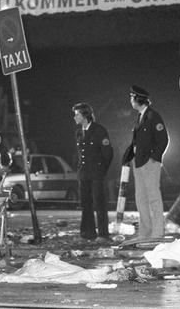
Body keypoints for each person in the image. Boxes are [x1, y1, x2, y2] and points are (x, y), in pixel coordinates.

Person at [122, 85, 169, 240]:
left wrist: (154, 158)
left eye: (131, 97)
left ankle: (157, 233)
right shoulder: (141, 116)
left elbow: (163, 140)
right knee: (140, 199)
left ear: (138, 99)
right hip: (139, 162)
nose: (130, 100)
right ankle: (145, 233)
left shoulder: (153, 116)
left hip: (149, 163)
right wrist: (129, 155)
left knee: (154, 198)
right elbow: (138, 141)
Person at [72, 102, 113, 243]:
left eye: (77, 114)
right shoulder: (78, 132)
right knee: (85, 204)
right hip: (84, 174)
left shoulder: (99, 130)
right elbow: (79, 154)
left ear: (85, 115)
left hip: (97, 174)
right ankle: (87, 233)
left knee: (99, 204)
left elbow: (108, 154)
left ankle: (103, 234)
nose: (75, 117)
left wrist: (101, 171)